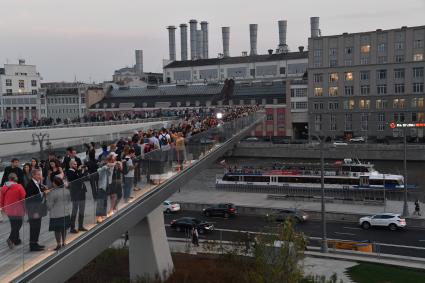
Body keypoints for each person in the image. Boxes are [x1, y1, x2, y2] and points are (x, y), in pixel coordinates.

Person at [25, 169, 50, 251]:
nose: (40, 176)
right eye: (38, 175)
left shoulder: (37, 183)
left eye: (40, 174)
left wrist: (43, 190)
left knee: (37, 227)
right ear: (33, 175)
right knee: (34, 227)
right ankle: (32, 245)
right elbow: (30, 200)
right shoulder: (30, 185)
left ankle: (35, 243)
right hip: (34, 210)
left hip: (38, 209)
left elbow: (38, 194)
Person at [0, 173, 26, 249]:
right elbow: (23, 198)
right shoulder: (19, 186)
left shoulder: (4, 187)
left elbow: (1, 199)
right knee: (18, 224)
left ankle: (16, 240)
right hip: (17, 209)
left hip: (8, 209)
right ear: (15, 178)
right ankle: (11, 239)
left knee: (13, 224)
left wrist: (2, 208)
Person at [47, 176, 71, 250]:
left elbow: (49, 206)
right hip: (65, 212)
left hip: (56, 215)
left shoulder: (52, 193)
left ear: (55, 184)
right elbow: (69, 201)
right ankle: (64, 242)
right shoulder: (67, 191)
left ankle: (58, 244)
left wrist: (46, 197)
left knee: (57, 230)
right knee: (64, 228)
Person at [66, 160, 87, 233]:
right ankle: (72, 227)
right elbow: (77, 179)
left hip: (82, 192)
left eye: (76, 164)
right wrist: (81, 171)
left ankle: (80, 226)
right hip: (75, 193)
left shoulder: (76, 171)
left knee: (82, 209)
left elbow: (83, 178)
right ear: (71, 165)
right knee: (75, 209)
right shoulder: (69, 172)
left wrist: (82, 171)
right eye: (74, 164)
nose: (76, 165)